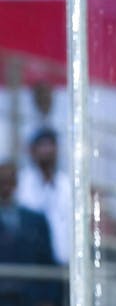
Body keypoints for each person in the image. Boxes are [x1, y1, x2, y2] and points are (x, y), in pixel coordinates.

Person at [0, 161, 58, 306]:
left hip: (30, 297)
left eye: (9, 180)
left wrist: (47, 298)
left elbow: (47, 262)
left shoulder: (36, 220)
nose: (6, 186)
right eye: (2, 181)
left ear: (16, 183)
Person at [16, 128, 71, 267]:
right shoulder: (21, 183)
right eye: (42, 146)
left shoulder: (67, 185)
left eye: (50, 145)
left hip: (63, 259)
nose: (47, 151)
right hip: (31, 262)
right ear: (32, 151)